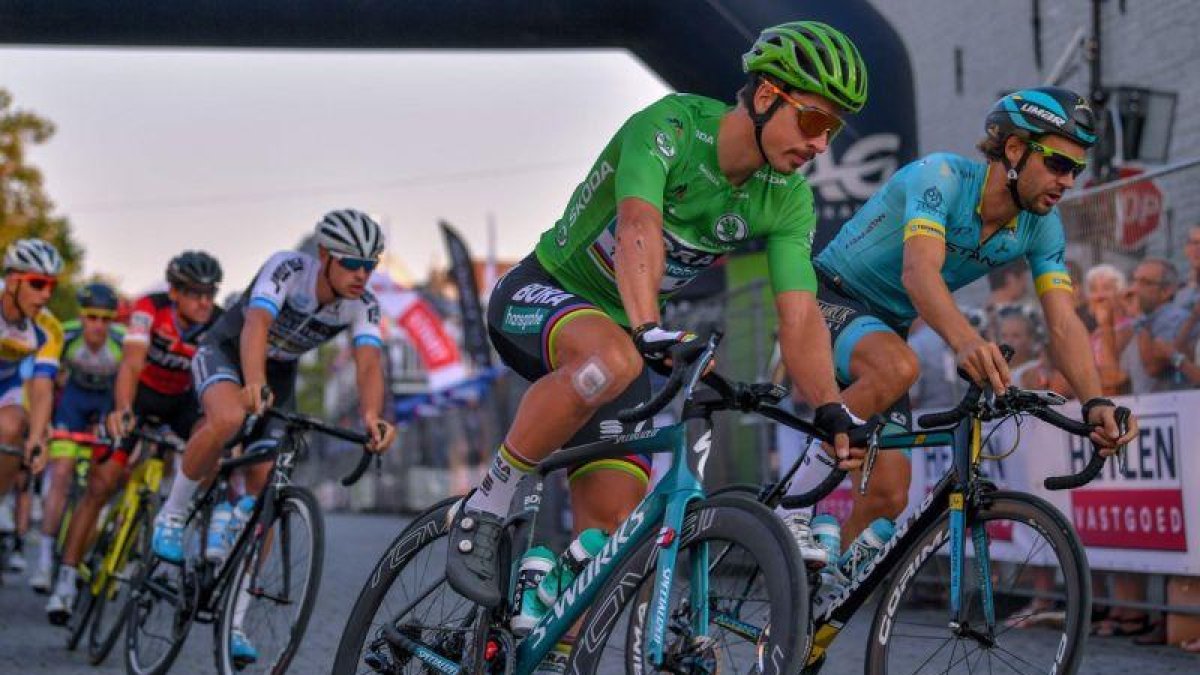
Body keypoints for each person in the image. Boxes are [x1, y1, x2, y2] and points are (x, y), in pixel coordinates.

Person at [445, 23, 869, 671]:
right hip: (542, 295)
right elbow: (640, 224)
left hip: (627, 332)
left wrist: (830, 406)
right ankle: (489, 500)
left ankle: (545, 633)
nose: (818, 142)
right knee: (613, 357)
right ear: (763, 97)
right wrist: (646, 329)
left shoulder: (786, 197)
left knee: (610, 532)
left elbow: (799, 312)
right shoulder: (670, 126)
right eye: (812, 118)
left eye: (831, 130)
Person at [803, 86, 1139, 564]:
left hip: (887, 327)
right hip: (828, 296)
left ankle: (816, 604)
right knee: (899, 366)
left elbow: (1063, 322)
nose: (1068, 182)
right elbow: (918, 273)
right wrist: (966, 342)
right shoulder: (940, 176)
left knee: (888, 497)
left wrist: (1096, 401)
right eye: (1059, 165)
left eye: (1077, 170)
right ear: (1016, 150)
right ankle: (796, 506)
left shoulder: (1042, 227)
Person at [153, 209, 396, 663]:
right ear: (324, 255)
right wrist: (251, 379)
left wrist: (370, 415)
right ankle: (171, 513)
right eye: (351, 263)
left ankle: (235, 621)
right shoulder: (288, 268)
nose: (362, 275)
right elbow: (256, 326)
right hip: (229, 352)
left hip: (280, 372)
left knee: (267, 487)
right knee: (225, 421)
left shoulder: (363, 304)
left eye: (371, 265)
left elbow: (367, 362)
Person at [46, 251, 223, 622]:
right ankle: (65, 579)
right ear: (174, 292)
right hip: (139, 395)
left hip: (181, 403)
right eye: (195, 293)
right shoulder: (149, 309)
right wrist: (123, 408)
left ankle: (172, 534)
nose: (205, 301)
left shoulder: (218, 322)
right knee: (102, 484)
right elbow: (130, 362)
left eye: (210, 293)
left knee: (212, 449)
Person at [29, 282, 124, 593]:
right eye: (91, 317)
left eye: (105, 319)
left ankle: (83, 552)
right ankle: (43, 561)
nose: (98, 326)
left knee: (100, 485)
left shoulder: (121, 344)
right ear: (81, 317)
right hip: (72, 407)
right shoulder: (66, 335)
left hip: (102, 409)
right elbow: (42, 380)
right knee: (61, 474)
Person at [0, 239, 64, 515]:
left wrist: (37, 437)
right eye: (38, 284)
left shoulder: (48, 327)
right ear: (13, 282)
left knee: (13, 425)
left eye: (52, 286)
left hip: (5, 386)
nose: (46, 294)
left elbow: (42, 386)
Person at [1123, 258, 1190, 394]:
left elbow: (1153, 368)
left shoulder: (1176, 318)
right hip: (1143, 408)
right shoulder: (1141, 320)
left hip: (1173, 408)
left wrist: (1138, 319)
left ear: (1167, 291)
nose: (1134, 289)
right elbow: (1120, 374)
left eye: (1144, 282)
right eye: (1134, 281)